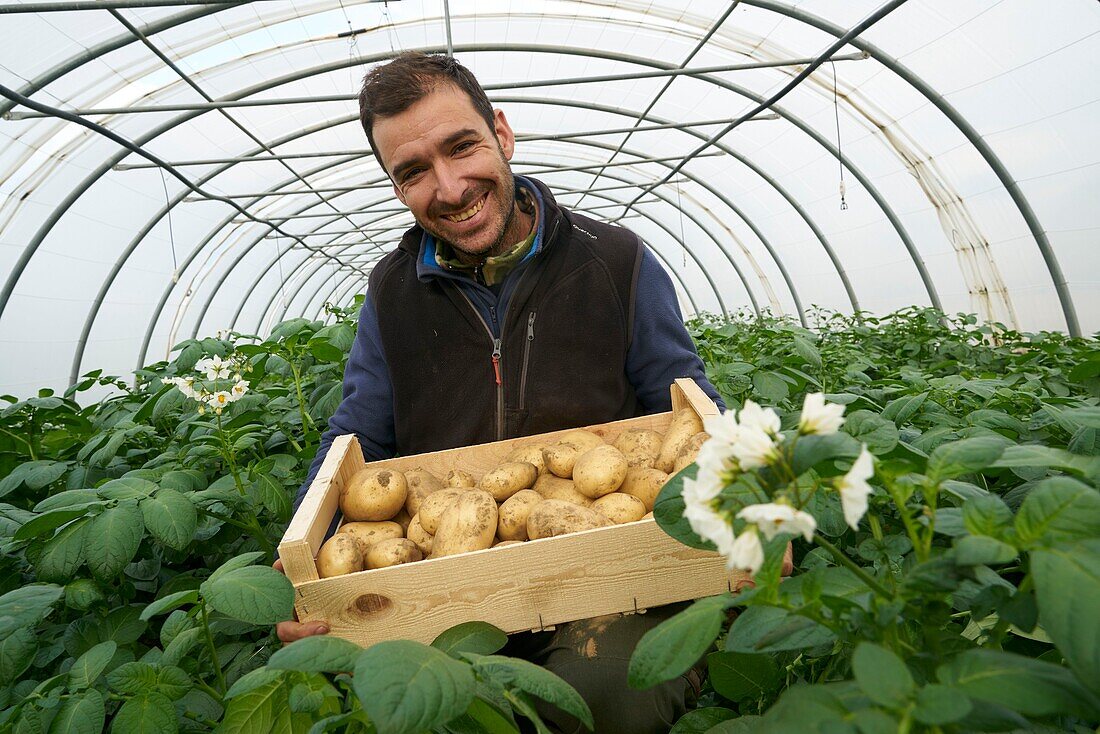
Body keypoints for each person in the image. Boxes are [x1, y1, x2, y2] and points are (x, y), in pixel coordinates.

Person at [277, 51, 729, 733]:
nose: (451, 187)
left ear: (502, 133)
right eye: (414, 172)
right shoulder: (391, 291)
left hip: (613, 569)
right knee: (444, 711)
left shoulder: (615, 260)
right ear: (397, 188)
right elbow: (357, 436)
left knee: (608, 694)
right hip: (442, 575)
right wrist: (309, 578)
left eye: (462, 148)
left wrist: (748, 509)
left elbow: (688, 401)